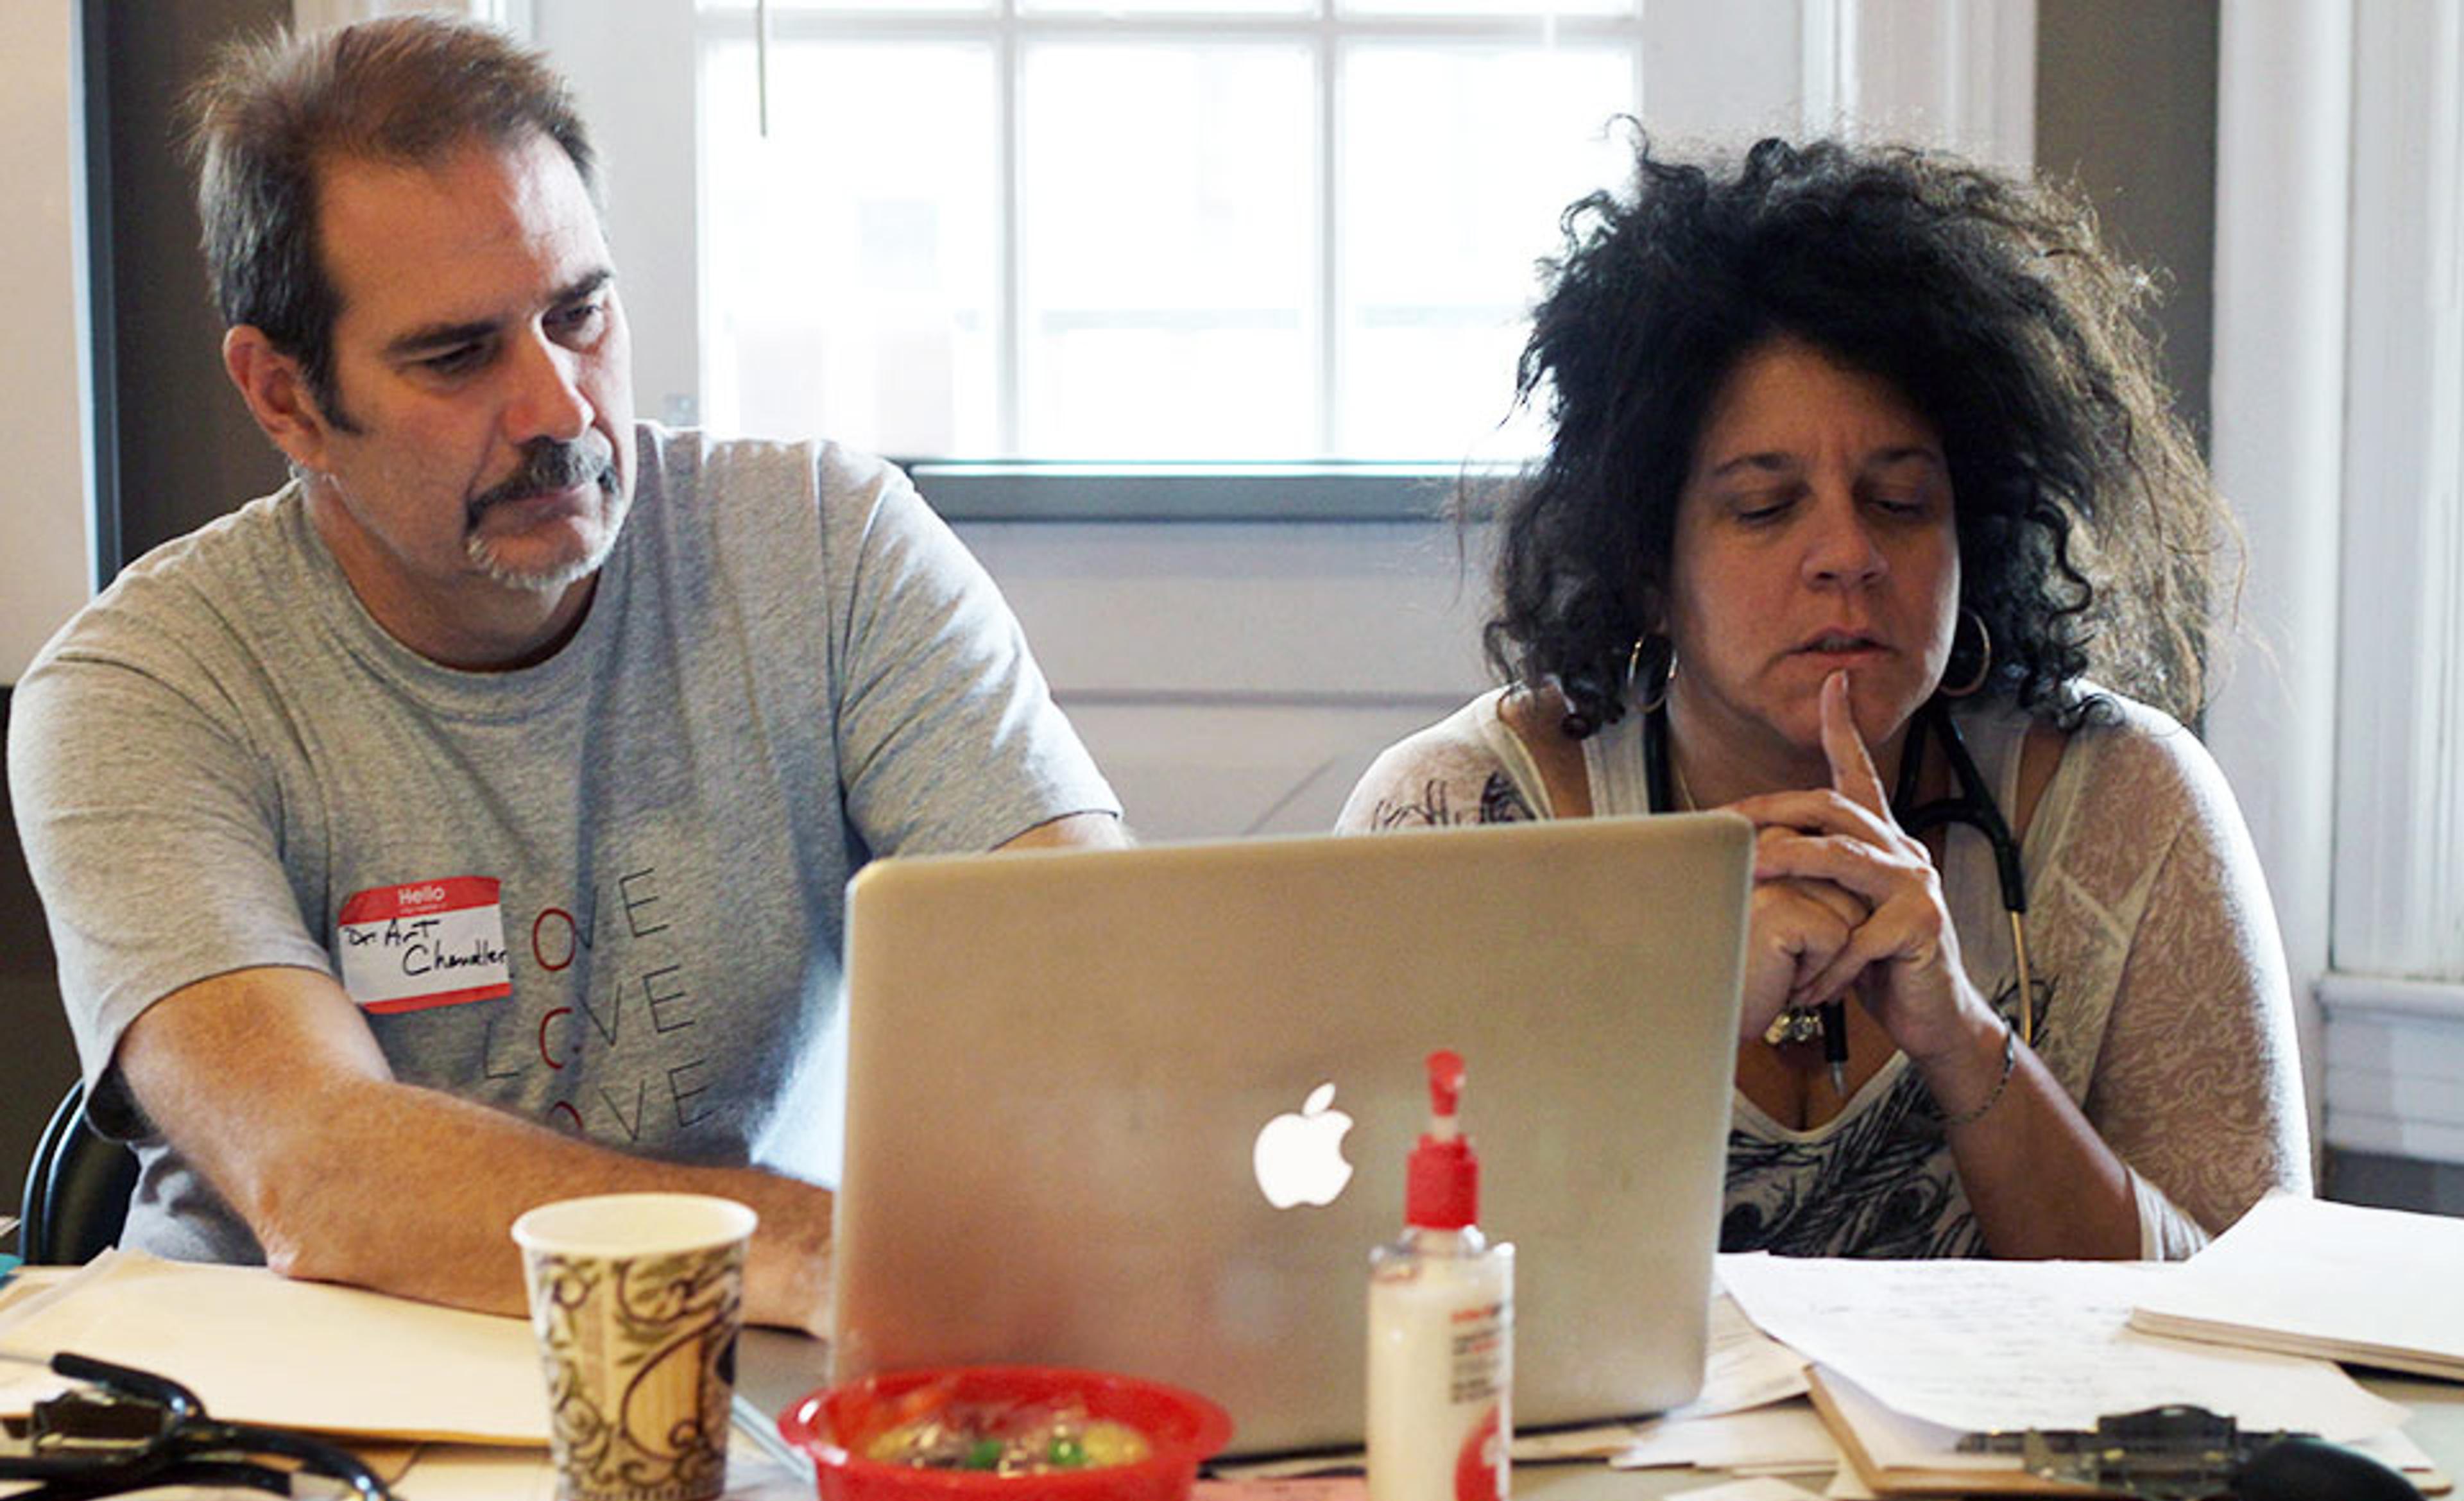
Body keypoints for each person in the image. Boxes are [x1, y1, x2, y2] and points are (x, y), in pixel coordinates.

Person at [4, 13, 1122, 1332]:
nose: (560, 409)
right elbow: (323, 1169)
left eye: (579, 313)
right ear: (285, 399)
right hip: (303, 1431)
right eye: (457, 356)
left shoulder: (828, 545)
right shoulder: (145, 687)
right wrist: (819, 1250)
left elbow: (1089, 975)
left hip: (754, 1377)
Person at [1337, 135, 2308, 1261]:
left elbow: (2250, 1320)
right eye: (1764, 508)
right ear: (1648, 562)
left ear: (1975, 541)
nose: (1848, 554)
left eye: (1901, 501)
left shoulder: (2127, 809)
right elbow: (1386, 1301)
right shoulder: (1458, 819)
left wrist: (1961, 1037)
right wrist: (1680, 1031)